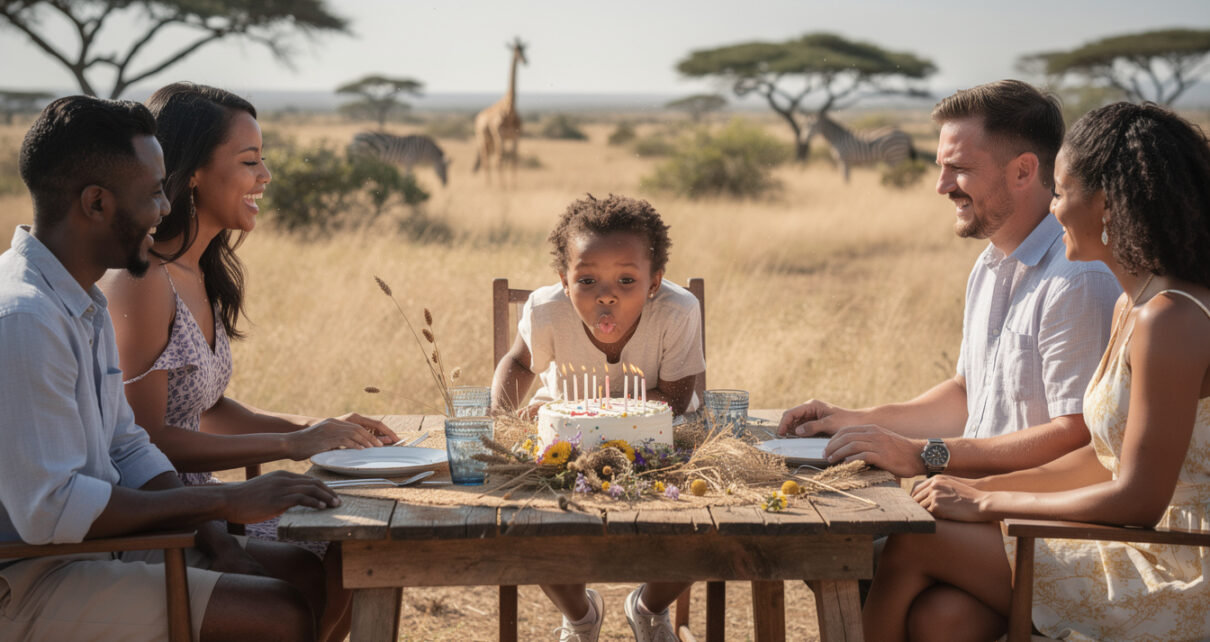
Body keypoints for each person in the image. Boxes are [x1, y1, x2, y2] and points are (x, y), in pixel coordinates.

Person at [0, 95, 344, 641]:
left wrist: (216, 534)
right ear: (96, 203)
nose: (164, 208)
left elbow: (130, 446)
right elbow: (53, 511)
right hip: (32, 575)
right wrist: (225, 499)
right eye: (153, 193)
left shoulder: (78, 301)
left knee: (302, 570)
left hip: (91, 549)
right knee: (278, 614)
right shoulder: (24, 317)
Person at [866, 102, 1210, 642]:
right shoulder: (1133, 305)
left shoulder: (1173, 318)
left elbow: (1139, 500)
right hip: (1140, 546)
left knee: (913, 539)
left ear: (1107, 205)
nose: (1053, 210)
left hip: (1183, 569)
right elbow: (1103, 461)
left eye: (1062, 192)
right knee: (944, 620)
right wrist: (969, 488)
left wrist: (988, 500)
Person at [97, 82, 397, 642]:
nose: (265, 177)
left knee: (352, 551)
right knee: (321, 561)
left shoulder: (198, 272)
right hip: (156, 514)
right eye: (250, 161)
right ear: (191, 172)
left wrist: (318, 430)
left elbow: (206, 407)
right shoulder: (143, 281)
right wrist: (290, 445)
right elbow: (144, 437)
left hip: (202, 500)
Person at [778, 80, 1121, 479]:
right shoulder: (989, 264)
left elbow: (1079, 436)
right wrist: (851, 419)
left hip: (1025, 522)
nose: (941, 186)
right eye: (942, 167)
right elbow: (965, 395)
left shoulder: (1078, 279)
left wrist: (926, 454)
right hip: (972, 506)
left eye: (958, 169)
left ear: (1024, 171)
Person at [491, 193, 705, 641]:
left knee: (707, 520)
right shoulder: (547, 310)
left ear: (654, 281)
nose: (606, 294)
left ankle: (648, 607)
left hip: (662, 446)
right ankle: (580, 616)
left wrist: (599, 414)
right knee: (524, 521)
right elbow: (520, 363)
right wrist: (501, 420)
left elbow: (680, 395)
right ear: (564, 281)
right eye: (587, 280)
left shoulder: (677, 310)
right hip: (562, 445)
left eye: (627, 279)